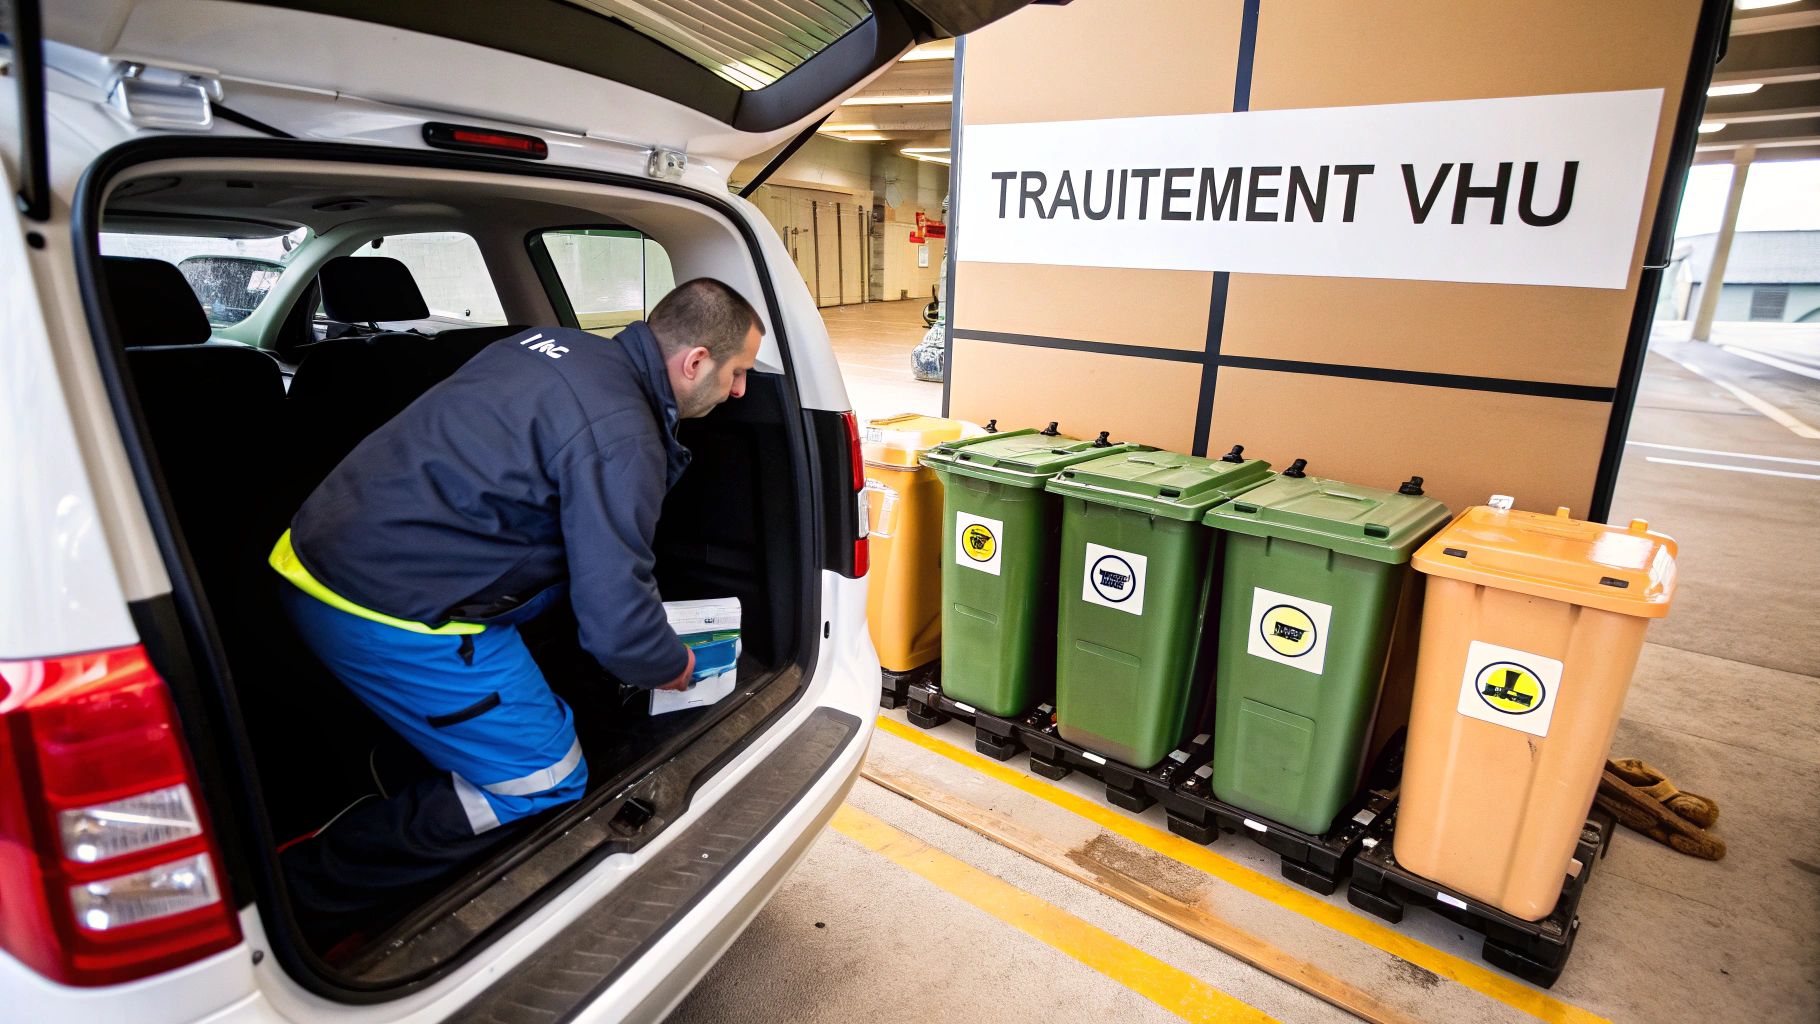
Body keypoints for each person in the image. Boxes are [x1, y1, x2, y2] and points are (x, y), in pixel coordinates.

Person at [270, 278, 764, 950]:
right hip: (393, 610)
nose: (740, 392)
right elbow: (615, 619)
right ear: (695, 361)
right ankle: (303, 894)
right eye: (738, 373)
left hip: (313, 555)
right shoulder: (624, 436)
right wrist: (669, 663)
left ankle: (425, 761)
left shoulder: (553, 346)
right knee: (545, 780)